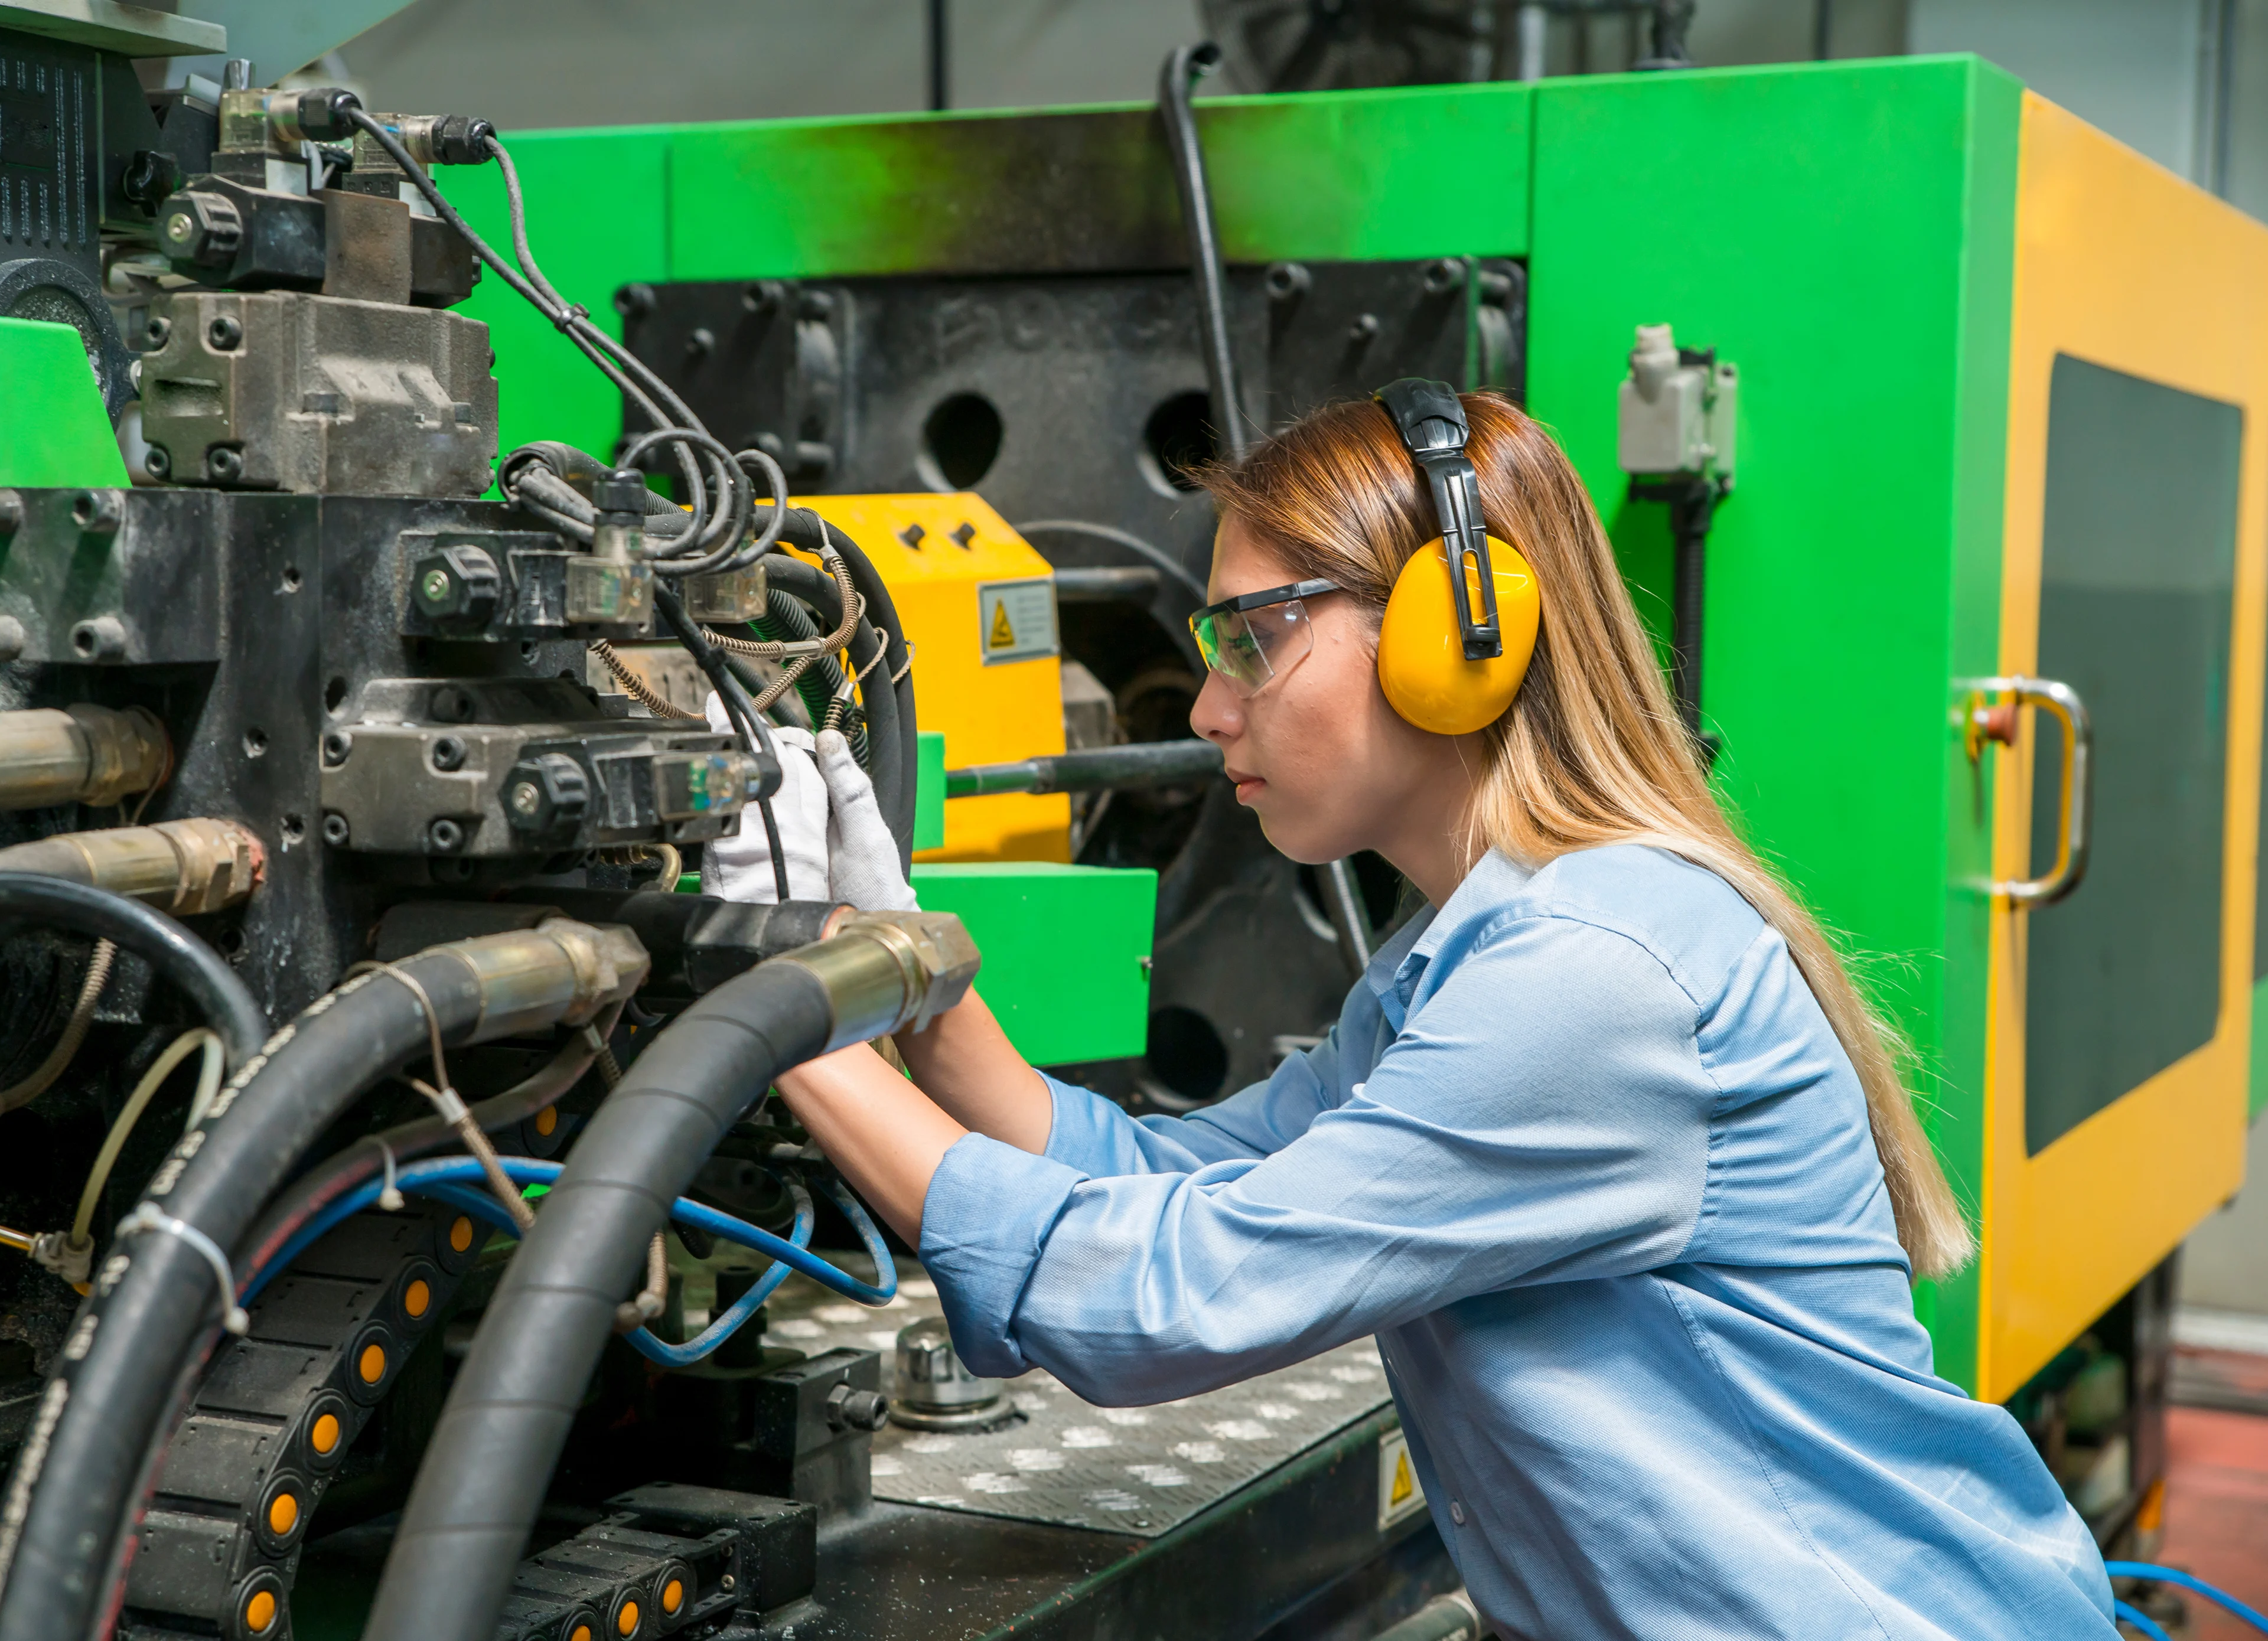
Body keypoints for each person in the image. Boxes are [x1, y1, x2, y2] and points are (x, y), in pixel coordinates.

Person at [748, 389, 2118, 1640]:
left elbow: (1169, 1299)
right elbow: (1181, 1184)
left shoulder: (1589, 975)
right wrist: (911, 982)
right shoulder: (1466, 954)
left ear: (1456, 632)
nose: (1213, 708)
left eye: (1252, 637)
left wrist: (777, 995)